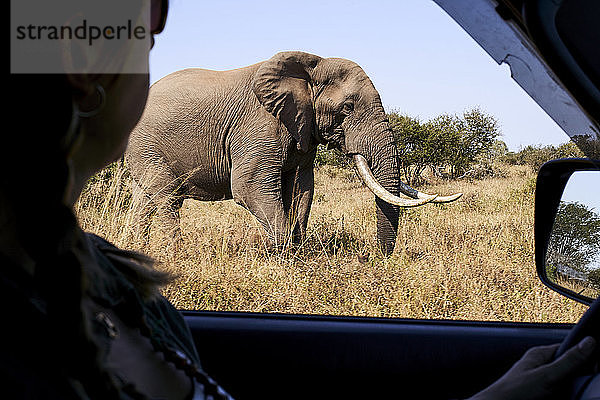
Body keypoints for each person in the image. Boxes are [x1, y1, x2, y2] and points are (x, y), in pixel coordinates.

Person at [2, 0, 596, 399]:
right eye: (150, 23)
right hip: (175, 159)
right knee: (160, 214)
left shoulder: (98, 278)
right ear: (83, 59)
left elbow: (299, 185)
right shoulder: (65, 308)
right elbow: (251, 185)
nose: (157, 34)